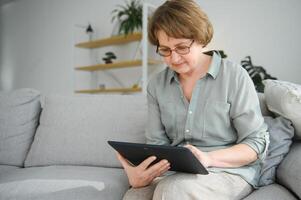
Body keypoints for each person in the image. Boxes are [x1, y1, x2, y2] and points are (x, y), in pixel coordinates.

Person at [116, 0, 269, 199]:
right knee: (135, 195)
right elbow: (157, 144)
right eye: (165, 50)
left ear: (199, 39)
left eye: (181, 47)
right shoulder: (156, 85)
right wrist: (138, 175)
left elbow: (256, 143)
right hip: (177, 173)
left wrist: (208, 158)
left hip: (229, 171)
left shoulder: (234, 76)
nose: (174, 58)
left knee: (172, 191)